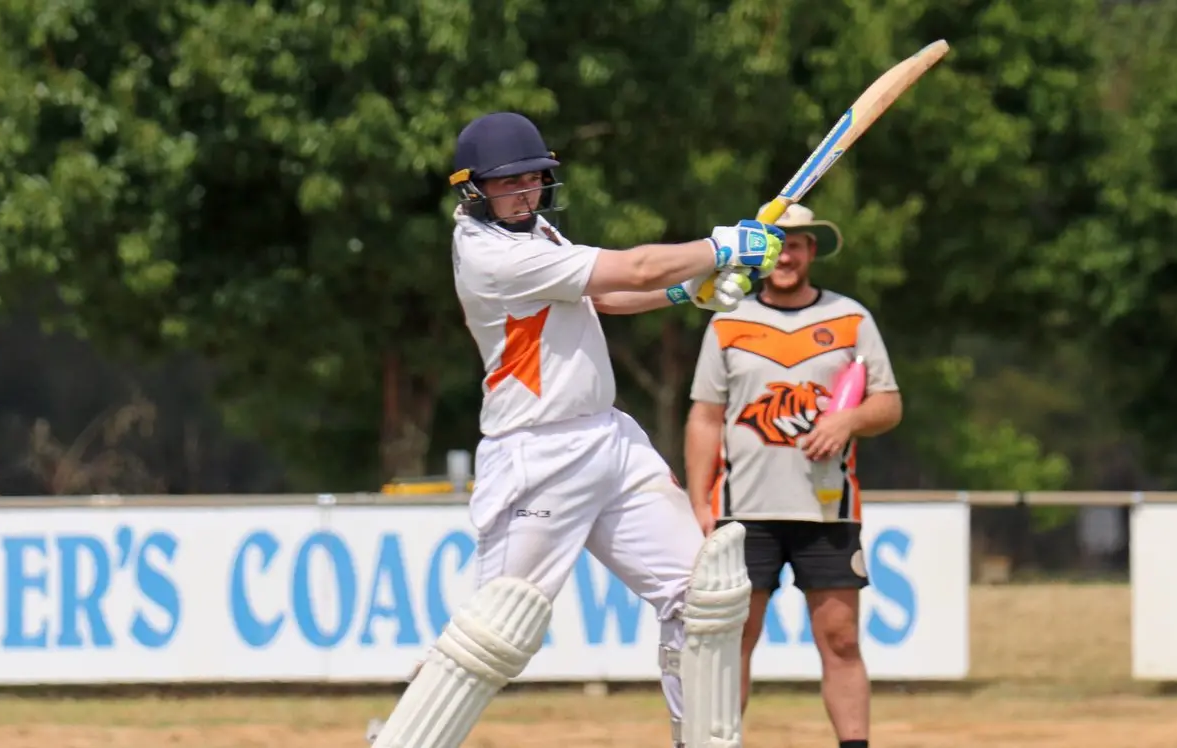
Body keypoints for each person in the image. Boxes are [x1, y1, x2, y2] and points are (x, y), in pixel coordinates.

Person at [365, 111, 782, 748]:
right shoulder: (491, 255)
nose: (524, 194)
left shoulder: (537, 234)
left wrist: (687, 294)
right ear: (471, 188)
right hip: (537, 452)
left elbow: (606, 295)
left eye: (533, 180)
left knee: (703, 598)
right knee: (494, 635)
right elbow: (637, 267)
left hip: (609, 441)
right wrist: (720, 249)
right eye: (508, 184)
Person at [683, 203, 903, 748]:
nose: (789, 256)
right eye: (779, 246)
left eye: (799, 244)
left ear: (811, 253)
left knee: (842, 639)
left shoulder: (851, 318)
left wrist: (849, 420)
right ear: (763, 258)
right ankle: (717, 741)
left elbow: (889, 404)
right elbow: (705, 416)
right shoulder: (729, 321)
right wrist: (697, 501)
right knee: (733, 641)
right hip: (743, 512)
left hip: (827, 509)